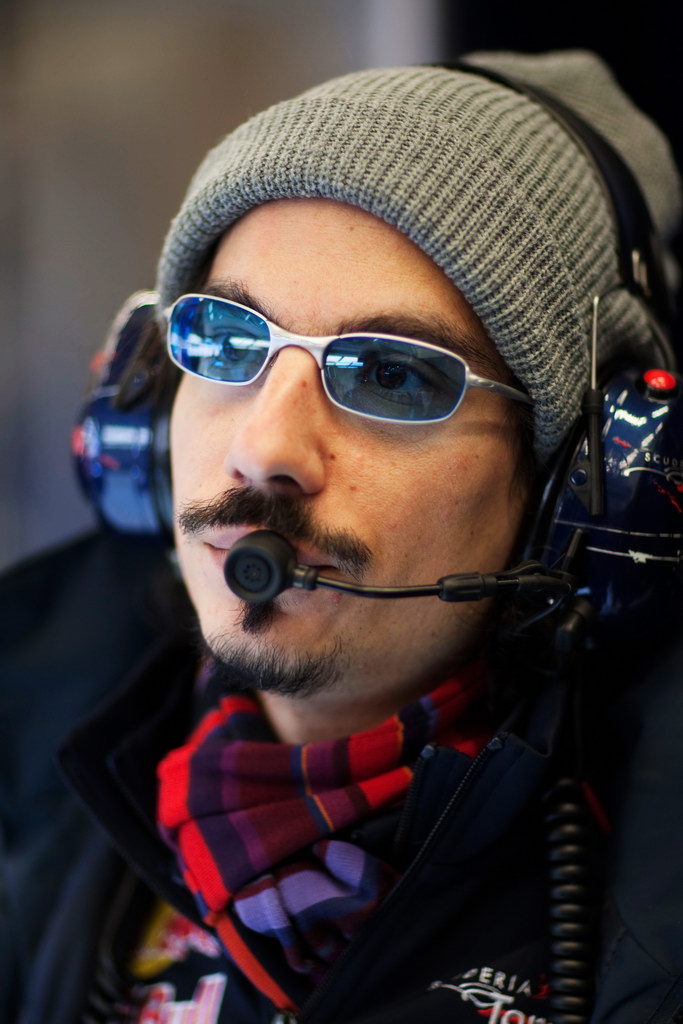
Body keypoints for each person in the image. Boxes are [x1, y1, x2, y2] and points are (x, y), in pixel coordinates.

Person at [4, 50, 683, 1024]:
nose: (264, 447)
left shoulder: (643, 890)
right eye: (229, 341)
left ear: (573, 488)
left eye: (391, 375)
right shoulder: (24, 757)